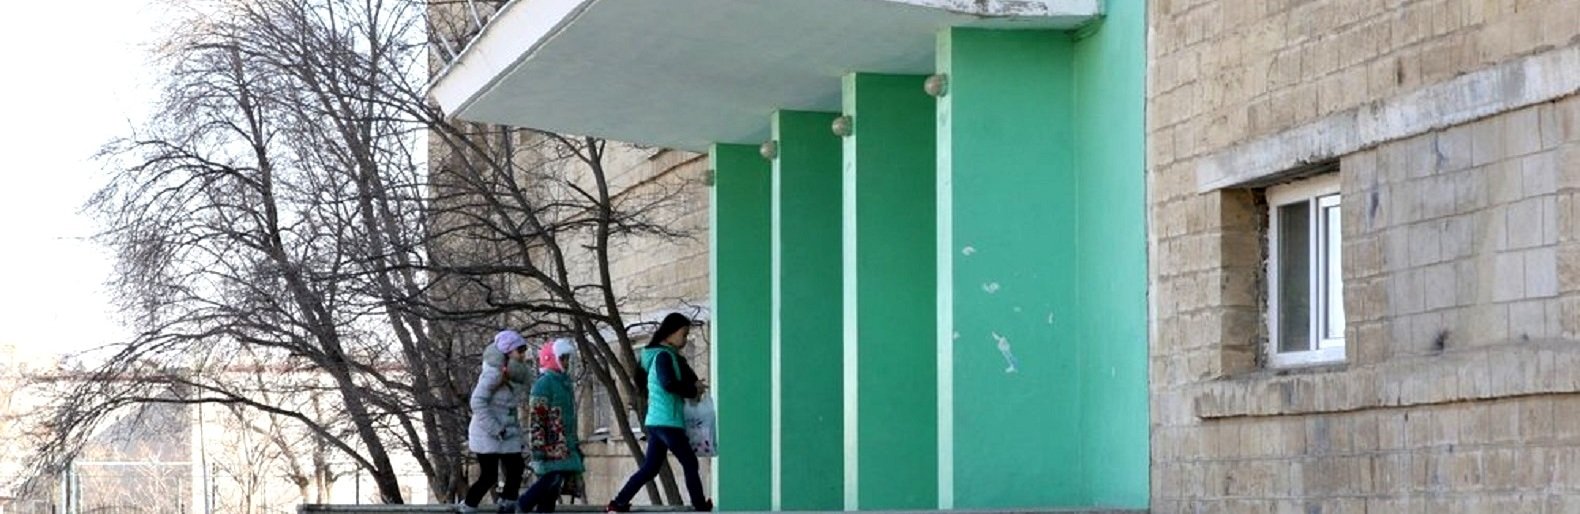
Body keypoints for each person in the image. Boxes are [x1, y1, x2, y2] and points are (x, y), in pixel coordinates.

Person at [607, 313, 712, 512]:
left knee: (650, 468)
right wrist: (692, 390)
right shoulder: (663, 356)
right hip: (668, 421)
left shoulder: (664, 355)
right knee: (689, 462)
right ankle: (700, 506)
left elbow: (676, 379)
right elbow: (668, 384)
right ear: (670, 333)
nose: (685, 339)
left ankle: (618, 504)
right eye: (683, 334)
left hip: (656, 421)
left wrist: (694, 385)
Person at [463, 330, 532, 513]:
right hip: (487, 432)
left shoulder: (516, 374)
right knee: (489, 476)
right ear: (508, 352)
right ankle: (467, 507)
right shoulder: (493, 373)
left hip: (507, 432)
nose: (523, 355)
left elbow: (511, 408)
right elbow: (477, 402)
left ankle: (507, 506)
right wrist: (495, 428)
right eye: (519, 350)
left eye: (524, 350)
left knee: (516, 468)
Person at [517, 338, 584, 512]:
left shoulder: (564, 383)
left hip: (563, 444)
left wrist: (574, 444)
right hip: (551, 445)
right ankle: (521, 505)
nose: (566, 362)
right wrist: (538, 449)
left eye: (567, 358)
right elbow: (537, 419)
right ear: (552, 358)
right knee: (552, 478)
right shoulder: (544, 383)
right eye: (562, 358)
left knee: (552, 491)